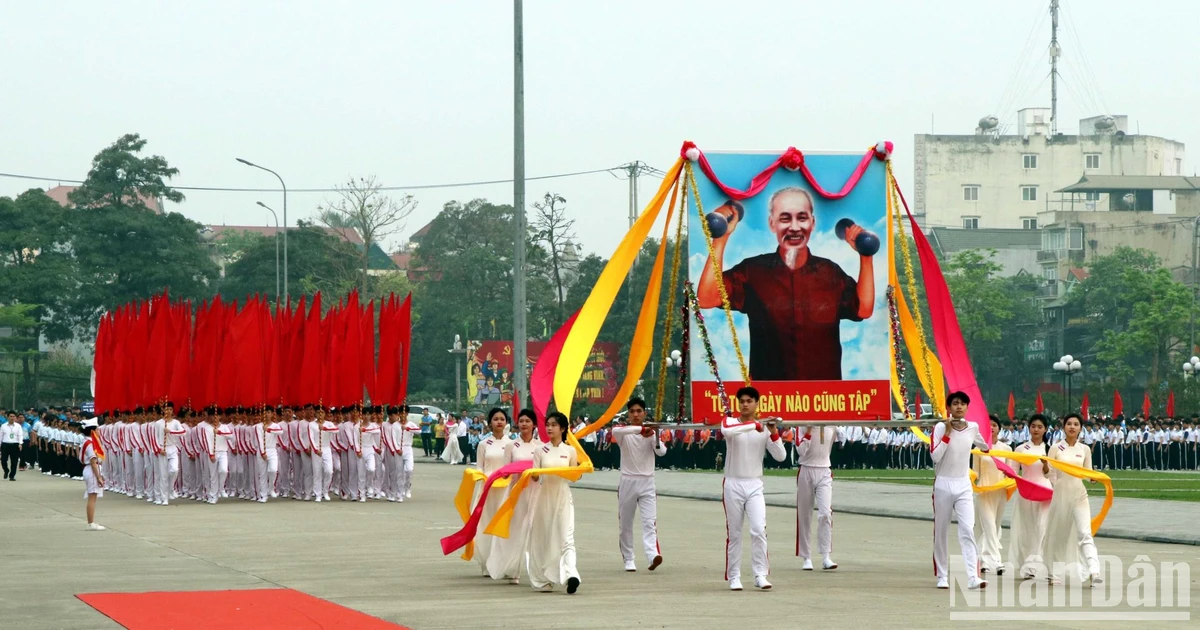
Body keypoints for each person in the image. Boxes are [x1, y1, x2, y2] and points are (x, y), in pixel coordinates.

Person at [696, 188, 876, 381]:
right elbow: (706, 299)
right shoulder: (752, 272)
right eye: (784, 219)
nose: (794, 227)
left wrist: (865, 256)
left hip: (824, 400)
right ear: (772, 224)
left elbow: (863, 309)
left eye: (802, 218)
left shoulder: (830, 273)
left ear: (812, 223)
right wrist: (721, 239)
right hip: (769, 402)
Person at [722, 387, 787, 591]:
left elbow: (781, 457)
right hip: (733, 483)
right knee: (735, 533)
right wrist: (754, 425)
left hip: (754, 484)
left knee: (758, 529)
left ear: (756, 403)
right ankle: (734, 576)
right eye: (742, 401)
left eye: (749, 401)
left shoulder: (765, 428)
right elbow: (726, 431)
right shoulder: (731, 422)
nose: (745, 404)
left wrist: (774, 432)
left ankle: (760, 574)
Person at [930, 391, 990, 591]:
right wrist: (947, 434)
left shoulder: (973, 427)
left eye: (963, 404)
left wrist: (989, 445)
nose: (959, 407)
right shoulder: (939, 427)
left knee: (967, 529)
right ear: (948, 407)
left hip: (963, 484)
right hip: (943, 484)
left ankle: (973, 576)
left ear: (967, 407)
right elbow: (935, 457)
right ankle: (942, 575)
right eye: (955, 403)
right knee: (941, 531)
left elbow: (984, 444)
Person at [1043, 413, 1103, 586]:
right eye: (1069, 423)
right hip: (1060, 496)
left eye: (1076, 424)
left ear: (1080, 428)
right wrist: (1046, 466)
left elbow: (1087, 472)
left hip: (1079, 496)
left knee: (1085, 533)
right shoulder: (1055, 448)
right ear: (1064, 427)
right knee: (1057, 534)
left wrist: (1093, 478)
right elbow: (1049, 475)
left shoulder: (1084, 449)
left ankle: (1094, 570)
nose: (1072, 427)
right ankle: (1053, 573)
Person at [528, 411, 584, 594]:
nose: (549, 428)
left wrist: (579, 471)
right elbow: (535, 477)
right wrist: (534, 474)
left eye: (553, 425)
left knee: (567, 537)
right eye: (548, 424)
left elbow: (575, 477)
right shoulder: (540, 450)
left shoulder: (570, 451)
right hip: (544, 498)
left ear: (562, 428)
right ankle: (543, 579)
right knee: (544, 538)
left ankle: (571, 575)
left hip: (563, 497)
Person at [612, 397, 667, 572]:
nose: (636, 414)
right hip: (628, 481)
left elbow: (661, 452)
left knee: (649, 522)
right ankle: (629, 559)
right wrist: (642, 429)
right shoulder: (624, 433)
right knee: (626, 524)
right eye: (632, 412)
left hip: (647, 482)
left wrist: (654, 435)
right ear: (628, 414)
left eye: (639, 411)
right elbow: (615, 431)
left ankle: (652, 555)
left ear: (644, 413)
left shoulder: (651, 434)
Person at [488, 409, 542, 584]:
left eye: (527, 421)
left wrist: (535, 474)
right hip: (516, 492)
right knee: (515, 529)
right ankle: (514, 569)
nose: (524, 424)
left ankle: (539, 569)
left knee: (535, 530)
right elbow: (504, 471)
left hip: (534, 491)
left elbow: (542, 472)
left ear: (534, 424)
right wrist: (507, 472)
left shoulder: (540, 447)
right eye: (521, 421)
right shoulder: (511, 446)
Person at [1010, 413, 1052, 580]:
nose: (1036, 429)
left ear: (1045, 429)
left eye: (1040, 427)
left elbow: (1052, 475)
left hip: (1045, 492)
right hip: (1026, 493)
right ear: (1029, 428)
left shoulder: (1050, 449)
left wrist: (1046, 465)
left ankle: (1039, 563)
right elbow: (1013, 472)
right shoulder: (1021, 449)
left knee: (1042, 528)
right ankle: (1028, 565)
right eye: (1033, 426)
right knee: (1027, 529)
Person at [475, 408, 514, 578]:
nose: (499, 422)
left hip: (505, 489)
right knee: (486, 525)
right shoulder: (483, 444)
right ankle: (487, 563)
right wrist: (480, 478)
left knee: (504, 525)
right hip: (488, 490)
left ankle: (503, 564)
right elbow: (479, 466)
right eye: (495, 419)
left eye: (502, 419)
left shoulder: (512, 444)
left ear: (506, 423)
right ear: (490, 422)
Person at [794, 424, 838, 571]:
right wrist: (808, 431)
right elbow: (800, 450)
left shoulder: (832, 427)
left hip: (824, 470)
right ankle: (806, 557)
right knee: (805, 515)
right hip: (806, 469)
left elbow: (833, 444)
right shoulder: (800, 427)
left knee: (825, 513)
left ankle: (826, 556)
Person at [973, 415, 1012, 576]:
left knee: (994, 527)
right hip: (984, 491)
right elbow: (975, 472)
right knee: (988, 526)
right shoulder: (978, 449)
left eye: (994, 425)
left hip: (1000, 492)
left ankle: (983, 560)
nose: (992, 428)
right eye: (988, 425)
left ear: (999, 428)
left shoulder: (1007, 449)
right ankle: (996, 561)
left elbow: (1011, 473)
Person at [80, 418, 106, 530]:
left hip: (90, 469)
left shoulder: (87, 442)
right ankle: (91, 523)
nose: (99, 432)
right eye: (98, 430)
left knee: (93, 496)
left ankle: (91, 522)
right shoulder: (90, 443)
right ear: (92, 431)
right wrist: (98, 476)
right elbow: (93, 462)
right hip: (91, 470)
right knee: (92, 496)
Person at [2, 410, 25, 480]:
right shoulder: (3, 426)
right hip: (5, 444)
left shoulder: (18, 426)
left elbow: (20, 435)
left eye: (13, 416)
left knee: (14, 461)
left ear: (15, 418)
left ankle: (12, 476)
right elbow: (0, 436)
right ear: (8, 417)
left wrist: (20, 443)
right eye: (11, 416)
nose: (12, 418)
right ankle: (6, 470)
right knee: (3, 460)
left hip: (15, 445)